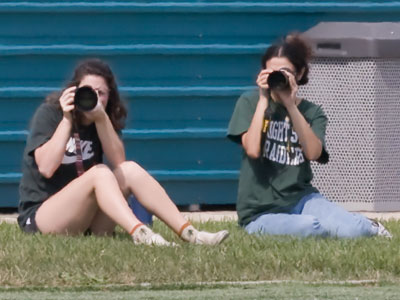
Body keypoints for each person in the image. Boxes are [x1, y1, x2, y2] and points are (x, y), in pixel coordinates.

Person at [18, 58, 229, 246]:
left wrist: (101, 118)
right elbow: (46, 168)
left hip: (88, 219)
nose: (94, 98)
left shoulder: (102, 119)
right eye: (88, 91)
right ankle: (140, 233)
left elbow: (119, 163)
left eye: (101, 93)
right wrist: (67, 119)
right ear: (74, 90)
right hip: (44, 216)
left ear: (110, 96)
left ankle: (191, 234)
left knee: (129, 170)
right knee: (100, 172)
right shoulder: (50, 114)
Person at [227, 34, 391, 238]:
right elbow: (252, 149)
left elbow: (313, 153)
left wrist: (290, 105)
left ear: (299, 73)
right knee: (310, 227)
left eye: (284, 72)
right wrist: (263, 100)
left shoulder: (312, 112)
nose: (278, 78)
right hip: (260, 212)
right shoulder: (249, 102)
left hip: (302, 199)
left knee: (353, 230)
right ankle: (328, 225)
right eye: (271, 72)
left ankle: (368, 225)